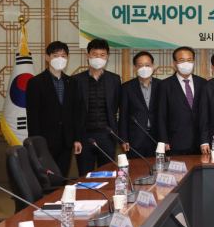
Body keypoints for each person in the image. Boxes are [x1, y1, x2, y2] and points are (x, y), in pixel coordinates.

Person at [25, 41, 82, 177]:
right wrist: (36, 143)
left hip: (66, 141)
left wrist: (76, 139)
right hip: (45, 141)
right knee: (46, 179)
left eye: (63, 55)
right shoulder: (35, 82)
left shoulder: (72, 82)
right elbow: (32, 116)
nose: (60, 59)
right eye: (56, 55)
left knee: (62, 177)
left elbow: (75, 112)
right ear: (47, 57)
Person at [74, 39, 121, 176]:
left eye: (102, 55)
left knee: (106, 176)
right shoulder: (76, 80)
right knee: (85, 176)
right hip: (84, 136)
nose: (98, 58)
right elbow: (73, 112)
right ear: (87, 56)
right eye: (94, 54)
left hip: (107, 136)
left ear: (107, 57)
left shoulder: (114, 80)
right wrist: (76, 138)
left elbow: (116, 105)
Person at [157, 46, 206, 156]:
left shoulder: (202, 83)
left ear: (193, 62)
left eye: (189, 60)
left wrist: (205, 140)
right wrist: (163, 140)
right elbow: (161, 115)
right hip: (175, 141)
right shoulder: (165, 85)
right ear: (174, 63)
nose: (186, 64)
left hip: (199, 142)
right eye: (182, 60)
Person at [118, 51, 161, 159]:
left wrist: (166, 139)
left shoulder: (162, 85)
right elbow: (123, 116)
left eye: (147, 65)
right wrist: (123, 139)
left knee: (157, 167)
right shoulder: (127, 87)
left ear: (153, 66)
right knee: (136, 167)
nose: (144, 68)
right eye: (140, 65)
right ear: (134, 67)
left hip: (157, 137)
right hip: (135, 138)